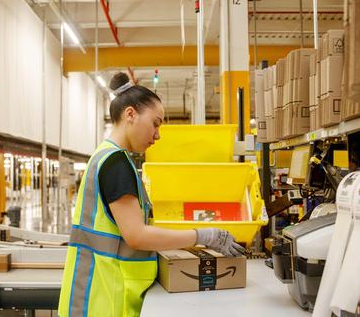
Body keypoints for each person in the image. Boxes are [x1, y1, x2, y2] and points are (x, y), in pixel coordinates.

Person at [58, 73, 244, 317]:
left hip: (99, 293)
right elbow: (136, 235)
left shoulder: (104, 156)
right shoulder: (115, 163)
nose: (158, 135)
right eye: (156, 123)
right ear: (131, 115)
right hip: (107, 298)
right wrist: (203, 235)